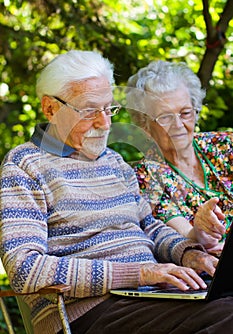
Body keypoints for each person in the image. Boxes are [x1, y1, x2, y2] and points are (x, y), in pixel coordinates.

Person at [1, 50, 233, 334]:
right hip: (90, 311)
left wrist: (190, 255)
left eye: (109, 109)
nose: (105, 123)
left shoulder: (115, 163)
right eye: (89, 111)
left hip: (150, 299)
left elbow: (150, 227)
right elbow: (26, 269)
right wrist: (139, 274)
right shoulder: (24, 166)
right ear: (50, 109)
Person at [126, 60, 233, 255]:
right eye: (165, 117)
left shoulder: (225, 145)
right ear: (144, 125)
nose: (178, 124)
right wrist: (199, 231)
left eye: (185, 113)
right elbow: (184, 234)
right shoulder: (145, 177)